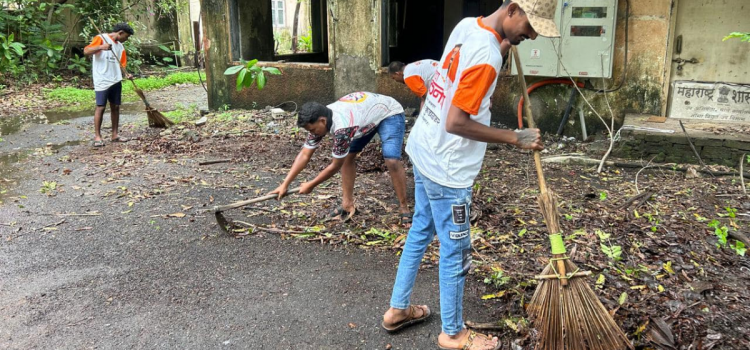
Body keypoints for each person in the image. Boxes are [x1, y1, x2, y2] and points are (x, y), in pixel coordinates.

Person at [382, 0, 559, 349]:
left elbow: (475, 63)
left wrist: (509, 43)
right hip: (448, 171)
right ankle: (453, 333)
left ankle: (397, 310)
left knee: (421, 230)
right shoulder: (488, 57)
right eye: (529, 25)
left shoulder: (469, 26)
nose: (532, 34)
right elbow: (458, 121)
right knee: (455, 251)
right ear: (512, 9)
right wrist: (515, 138)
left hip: (424, 148)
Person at [270, 92, 412, 225]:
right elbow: (305, 154)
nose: (312, 133)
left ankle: (404, 207)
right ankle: (347, 204)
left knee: (392, 160)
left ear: (323, 121)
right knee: (348, 156)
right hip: (364, 117)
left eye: (312, 130)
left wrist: (311, 185)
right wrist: (285, 184)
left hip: (388, 113)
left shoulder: (343, 128)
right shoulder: (320, 118)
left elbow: (335, 166)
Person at [83, 22, 134, 148]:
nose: (126, 39)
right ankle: (97, 137)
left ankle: (115, 135)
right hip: (102, 79)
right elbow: (86, 51)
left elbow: (122, 64)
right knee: (100, 107)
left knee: (115, 106)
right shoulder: (101, 38)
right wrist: (101, 47)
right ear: (120, 33)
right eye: (126, 37)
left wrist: (126, 74)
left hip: (116, 79)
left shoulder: (120, 47)